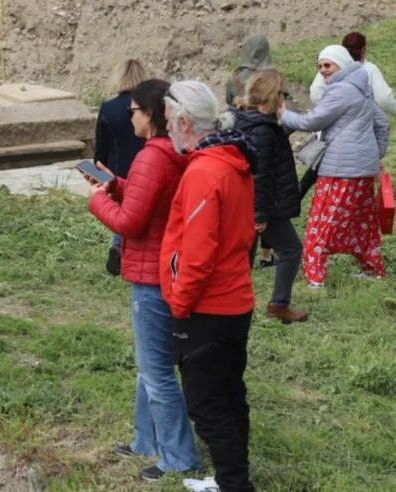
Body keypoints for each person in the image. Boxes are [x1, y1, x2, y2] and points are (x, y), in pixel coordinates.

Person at [85, 79, 201, 481]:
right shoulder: (168, 152)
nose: (128, 114)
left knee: (156, 371)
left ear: (151, 114)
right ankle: (145, 440)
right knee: (149, 363)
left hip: (152, 276)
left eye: (133, 109)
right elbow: (148, 203)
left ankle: (179, 457)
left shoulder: (151, 158)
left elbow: (131, 222)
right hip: (163, 269)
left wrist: (99, 200)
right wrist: (115, 185)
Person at [161, 80, 257, 492]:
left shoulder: (205, 170)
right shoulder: (232, 159)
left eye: (168, 121)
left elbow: (198, 254)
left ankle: (235, 484)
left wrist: (180, 306)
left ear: (185, 121)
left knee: (207, 402)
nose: (166, 129)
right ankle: (230, 477)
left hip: (208, 306)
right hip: (235, 299)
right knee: (230, 394)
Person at [280, 45, 389, 287]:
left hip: (339, 170)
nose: (323, 70)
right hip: (362, 171)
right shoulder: (361, 88)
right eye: (319, 66)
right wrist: (374, 153)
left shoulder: (340, 91)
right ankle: (372, 269)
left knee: (321, 221)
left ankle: (315, 278)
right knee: (363, 223)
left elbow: (312, 121)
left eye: (327, 65)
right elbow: (382, 124)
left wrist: (283, 114)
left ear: (341, 63)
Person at [231, 69, 309, 324]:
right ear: (273, 96)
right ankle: (278, 304)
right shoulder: (263, 130)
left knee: (244, 255)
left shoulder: (246, 120)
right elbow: (259, 174)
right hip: (264, 203)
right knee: (291, 249)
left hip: (248, 201)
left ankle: (234, 304)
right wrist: (260, 214)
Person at [225, 34, 294, 268]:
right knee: (265, 198)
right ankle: (265, 255)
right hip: (268, 135)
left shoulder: (233, 78)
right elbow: (287, 111)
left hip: (240, 135)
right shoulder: (275, 79)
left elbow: (228, 105)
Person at [95, 59, 148, 277]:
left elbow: (101, 147)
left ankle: (119, 245)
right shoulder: (149, 108)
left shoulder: (108, 108)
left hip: (118, 169)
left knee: (123, 213)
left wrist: (98, 175)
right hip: (147, 166)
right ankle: (125, 247)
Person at [309, 32, 396, 122]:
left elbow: (315, 93)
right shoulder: (369, 69)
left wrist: (331, 111)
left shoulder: (330, 66)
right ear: (363, 50)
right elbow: (383, 99)